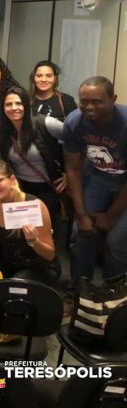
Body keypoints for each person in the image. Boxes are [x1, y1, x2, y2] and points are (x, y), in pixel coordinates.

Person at [63, 76, 127, 297]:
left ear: (113, 99)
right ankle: (79, 295)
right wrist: (81, 215)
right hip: (98, 179)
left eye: (97, 101)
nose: (89, 107)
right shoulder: (74, 122)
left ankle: (115, 298)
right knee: (81, 233)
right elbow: (73, 169)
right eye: (84, 101)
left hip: (124, 183)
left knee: (116, 242)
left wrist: (110, 216)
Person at [0, 86, 67, 250]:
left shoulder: (45, 123)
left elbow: (75, 141)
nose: (14, 108)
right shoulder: (0, 131)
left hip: (49, 188)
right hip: (21, 189)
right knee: (26, 233)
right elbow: (2, 162)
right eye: (8, 104)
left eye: (18, 103)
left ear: (27, 105)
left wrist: (69, 173)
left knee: (47, 233)